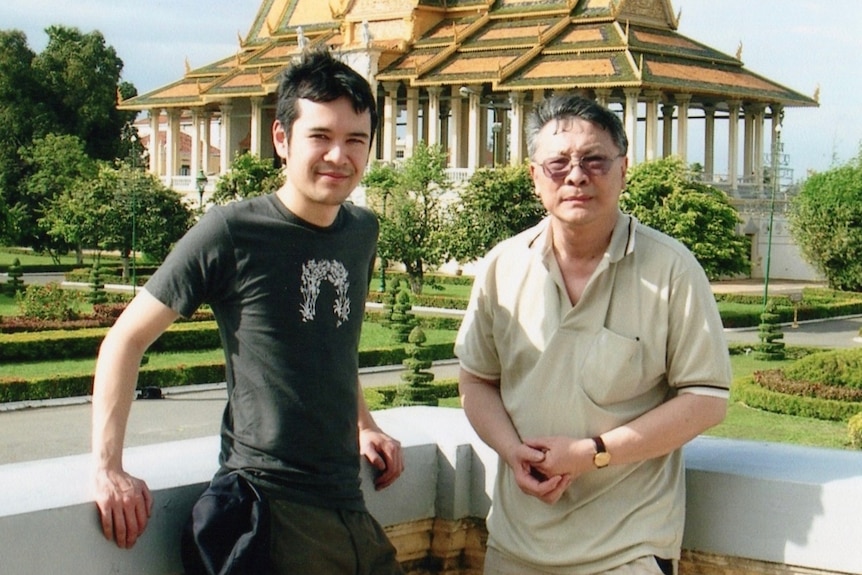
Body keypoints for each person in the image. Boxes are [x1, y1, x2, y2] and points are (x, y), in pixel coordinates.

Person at [91, 47, 405, 574]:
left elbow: (331, 343)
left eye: (356, 140)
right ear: (282, 140)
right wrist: (107, 467)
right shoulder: (232, 232)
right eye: (320, 137)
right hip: (273, 505)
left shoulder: (361, 232)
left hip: (349, 504)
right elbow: (124, 340)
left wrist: (364, 423)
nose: (339, 156)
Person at [455, 94, 731, 575]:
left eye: (595, 161)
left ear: (624, 170)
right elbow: (476, 380)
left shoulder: (671, 269)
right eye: (558, 163)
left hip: (626, 549)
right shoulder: (503, 265)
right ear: (534, 178)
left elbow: (707, 399)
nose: (577, 176)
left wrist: (591, 454)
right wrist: (510, 450)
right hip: (515, 544)